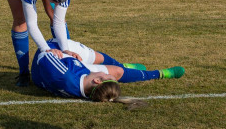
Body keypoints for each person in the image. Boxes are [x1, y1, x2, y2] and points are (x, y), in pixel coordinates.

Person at [31, 38, 185, 102]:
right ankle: (160, 73)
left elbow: (44, 55)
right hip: (74, 70)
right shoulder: (90, 91)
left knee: (97, 58)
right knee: (117, 72)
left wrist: (64, 52)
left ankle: (124, 67)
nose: (106, 74)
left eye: (105, 76)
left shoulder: (65, 75)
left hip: (52, 60)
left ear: (97, 80)